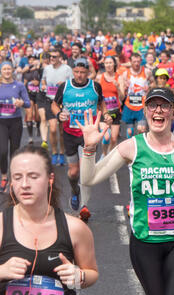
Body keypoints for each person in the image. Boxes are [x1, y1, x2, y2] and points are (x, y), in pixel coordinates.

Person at [78, 87, 174, 295]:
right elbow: (89, 179)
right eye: (152, 105)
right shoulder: (131, 147)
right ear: (145, 111)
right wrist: (89, 149)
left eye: (164, 105)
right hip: (145, 242)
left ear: (173, 111)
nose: (158, 110)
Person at [0, 145, 98, 295]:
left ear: (50, 179)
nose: (24, 184)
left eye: (33, 176)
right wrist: (2, 271)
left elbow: (92, 272)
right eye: (17, 177)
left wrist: (80, 276)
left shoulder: (75, 228)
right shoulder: (1, 225)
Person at [51, 57, 110, 223]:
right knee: (74, 172)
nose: (79, 75)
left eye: (82, 72)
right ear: (73, 71)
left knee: (86, 171)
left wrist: (105, 115)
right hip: (70, 133)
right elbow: (54, 104)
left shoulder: (94, 86)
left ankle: (84, 206)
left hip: (89, 134)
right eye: (76, 72)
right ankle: (74, 190)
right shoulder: (65, 86)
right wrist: (58, 114)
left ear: (87, 72)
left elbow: (102, 103)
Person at [0, 61, 31, 193]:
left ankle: (13, 177)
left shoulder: (19, 85)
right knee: (2, 151)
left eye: (9, 69)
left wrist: (21, 102)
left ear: (12, 70)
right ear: (1, 71)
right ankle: (4, 176)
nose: (7, 71)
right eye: (4, 69)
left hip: (15, 122)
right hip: (1, 122)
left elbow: (28, 103)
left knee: (14, 150)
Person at [41, 49, 73, 166]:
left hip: (63, 102)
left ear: (60, 58)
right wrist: (43, 85)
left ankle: (62, 153)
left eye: (54, 57)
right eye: (50, 57)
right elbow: (43, 81)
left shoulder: (67, 69)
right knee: (53, 129)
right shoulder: (47, 69)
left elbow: (72, 84)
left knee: (61, 130)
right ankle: (54, 153)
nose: (52, 59)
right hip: (50, 101)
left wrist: (64, 85)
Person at [96, 56, 125, 157]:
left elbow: (122, 97)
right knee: (106, 137)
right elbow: (96, 95)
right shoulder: (100, 77)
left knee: (113, 139)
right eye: (106, 63)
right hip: (104, 111)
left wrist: (117, 87)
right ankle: (104, 155)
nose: (108, 65)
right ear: (104, 65)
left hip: (116, 111)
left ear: (114, 64)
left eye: (110, 63)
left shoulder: (119, 77)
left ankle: (109, 157)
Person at [122, 52, 152, 138]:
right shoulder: (125, 73)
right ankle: (130, 148)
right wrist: (125, 87)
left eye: (138, 61)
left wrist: (149, 87)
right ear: (130, 62)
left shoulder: (146, 72)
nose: (136, 64)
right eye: (134, 61)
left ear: (141, 61)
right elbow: (122, 91)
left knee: (141, 129)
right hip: (129, 105)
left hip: (142, 106)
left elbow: (153, 83)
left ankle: (140, 147)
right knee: (130, 132)